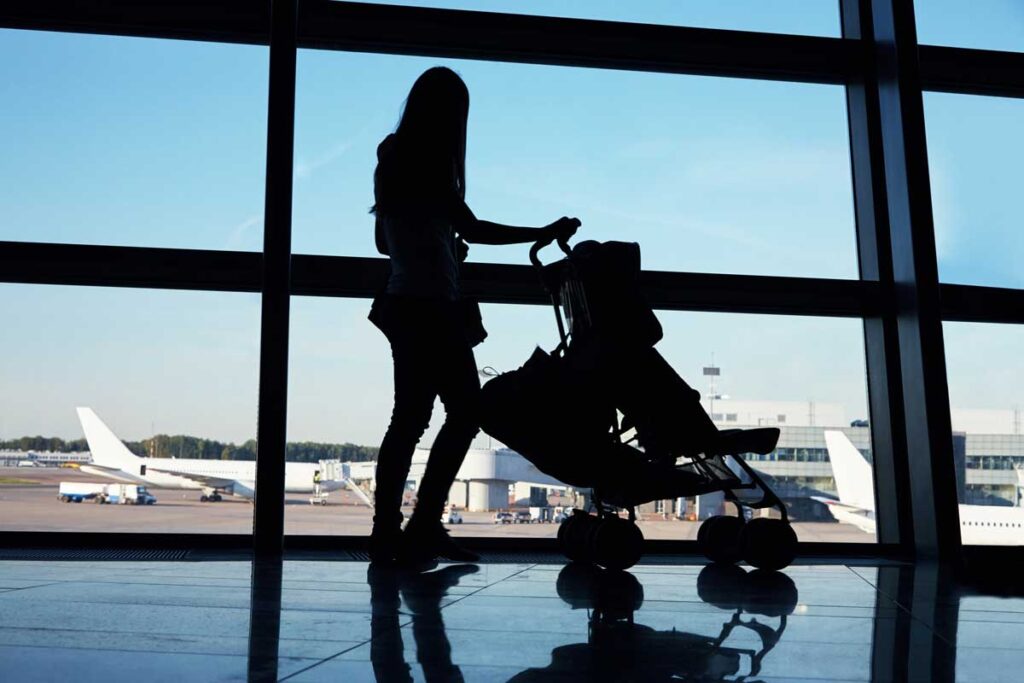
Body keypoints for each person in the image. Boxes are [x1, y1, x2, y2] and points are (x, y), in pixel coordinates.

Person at [368, 66, 580, 563]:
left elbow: (384, 239)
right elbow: (475, 227)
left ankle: (391, 528)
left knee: (414, 419)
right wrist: (540, 231)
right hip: (432, 307)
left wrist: (432, 243)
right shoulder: (428, 161)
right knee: (461, 413)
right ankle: (420, 524)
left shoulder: (392, 157)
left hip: (407, 302)